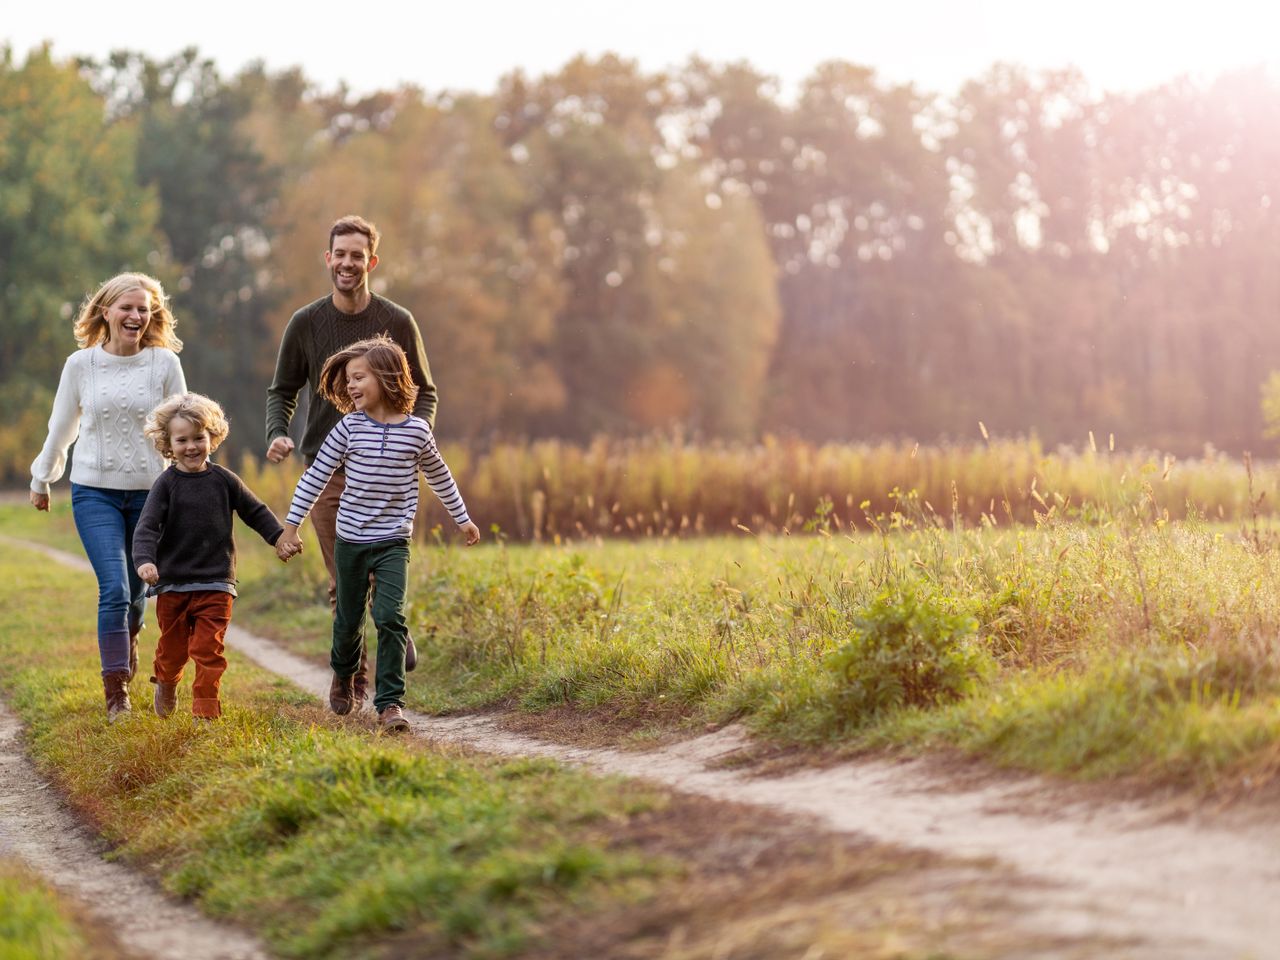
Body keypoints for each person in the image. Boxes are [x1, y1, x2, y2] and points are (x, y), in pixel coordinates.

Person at [265, 214, 437, 702]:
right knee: (345, 580)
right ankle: (351, 679)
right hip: (328, 470)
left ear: (371, 261)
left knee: (385, 568)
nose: (347, 263)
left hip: (388, 469)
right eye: (339, 254)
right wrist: (278, 433)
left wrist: (413, 439)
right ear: (328, 259)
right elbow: (282, 390)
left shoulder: (398, 321)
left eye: (356, 255)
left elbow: (425, 391)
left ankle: (391, 626)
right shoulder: (306, 322)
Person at [276, 336, 479, 732]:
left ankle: (390, 705)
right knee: (348, 622)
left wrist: (463, 518)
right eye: (348, 380)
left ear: (386, 377)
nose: (350, 387)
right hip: (351, 540)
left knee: (390, 617)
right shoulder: (348, 429)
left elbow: (440, 476)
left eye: (358, 378)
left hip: (393, 542)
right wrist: (290, 525)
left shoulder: (417, 432)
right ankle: (344, 674)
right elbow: (315, 477)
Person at [30, 273, 187, 723]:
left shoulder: (163, 364)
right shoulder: (81, 365)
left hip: (150, 497)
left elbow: (182, 424)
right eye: (127, 307)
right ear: (106, 311)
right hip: (94, 491)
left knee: (138, 595)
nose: (136, 316)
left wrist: (191, 483)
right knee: (114, 588)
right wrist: (43, 478)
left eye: (144, 309)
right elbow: (62, 426)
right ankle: (116, 693)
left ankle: (129, 638)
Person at [132, 393, 299, 721]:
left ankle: (205, 711)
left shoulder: (224, 480)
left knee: (208, 651)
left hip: (216, 581)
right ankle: (166, 681)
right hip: (173, 584)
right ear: (169, 444)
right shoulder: (166, 484)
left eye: (199, 438)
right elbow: (147, 528)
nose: (191, 447)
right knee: (173, 650)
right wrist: (145, 561)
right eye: (182, 440)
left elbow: (255, 511)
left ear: (213, 437)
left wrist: (279, 537)